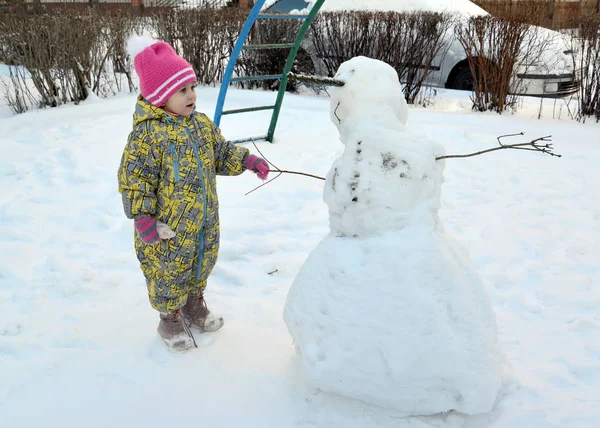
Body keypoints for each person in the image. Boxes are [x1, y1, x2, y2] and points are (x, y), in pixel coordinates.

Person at [118, 38, 269, 351]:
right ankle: (169, 318)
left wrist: (246, 160)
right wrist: (143, 218)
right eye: (182, 90)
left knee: (201, 261)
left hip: (202, 221)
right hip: (167, 228)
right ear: (160, 96)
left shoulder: (200, 124)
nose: (191, 96)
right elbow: (135, 178)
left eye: (192, 87)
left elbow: (220, 152)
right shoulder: (148, 135)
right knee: (168, 271)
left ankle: (193, 304)